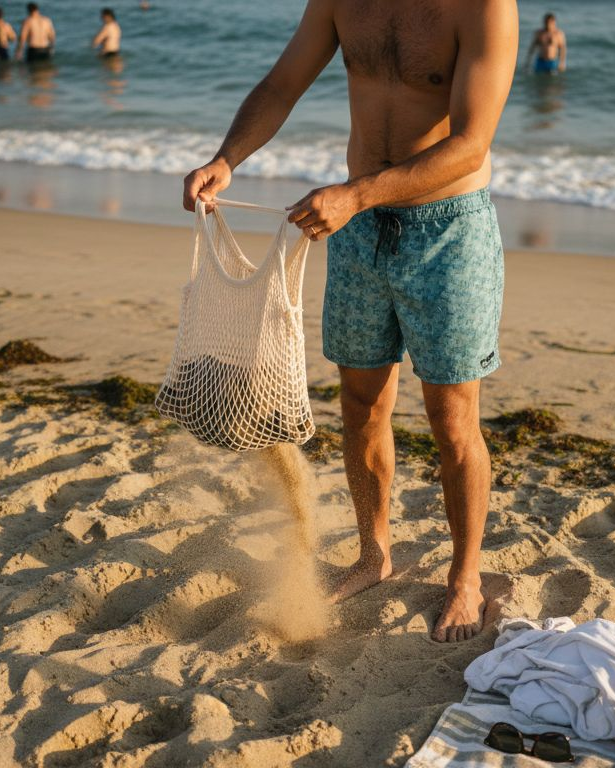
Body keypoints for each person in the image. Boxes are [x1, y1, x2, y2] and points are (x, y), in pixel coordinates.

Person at [183, 0, 518, 644]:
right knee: (362, 404)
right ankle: (375, 553)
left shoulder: (484, 6)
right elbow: (283, 84)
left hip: (448, 233)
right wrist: (229, 157)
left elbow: (471, 142)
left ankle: (465, 577)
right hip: (356, 229)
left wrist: (356, 194)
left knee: (453, 420)